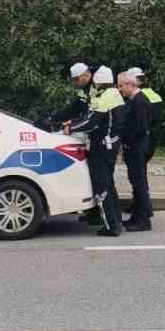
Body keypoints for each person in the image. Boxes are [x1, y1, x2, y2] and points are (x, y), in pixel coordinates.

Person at [68, 65, 125, 235]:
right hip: (112, 146)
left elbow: (91, 123)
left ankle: (110, 226)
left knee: (102, 188)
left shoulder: (101, 99)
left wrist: (70, 128)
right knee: (111, 186)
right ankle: (118, 221)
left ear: (98, 82)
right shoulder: (116, 95)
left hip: (100, 148)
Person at [117, 70, 154, 231]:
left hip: (137, 148)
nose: (119, 89)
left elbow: (140, 128)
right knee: (137, 182)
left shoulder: (138, 102)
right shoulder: (136, 100)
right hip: (136, 147)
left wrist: (126, 143)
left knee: (139, 183)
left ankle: (143, 220)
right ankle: (138, 216)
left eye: (121, 86)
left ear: (131, 85)